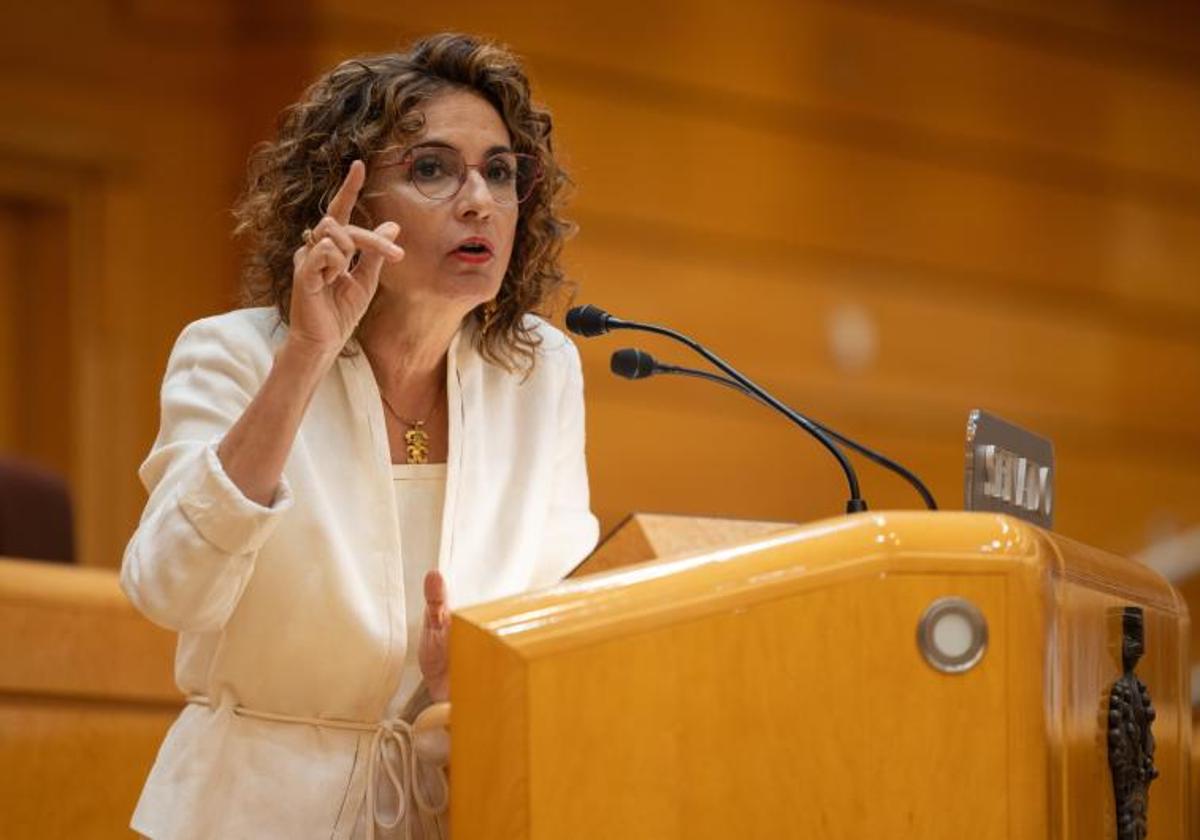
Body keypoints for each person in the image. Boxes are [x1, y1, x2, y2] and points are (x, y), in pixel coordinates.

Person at [119, 32, 600, 840]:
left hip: (460, 804)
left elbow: (562, 603)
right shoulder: (234, 354)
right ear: (345, 202)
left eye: (500, 170)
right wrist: (305, 356)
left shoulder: (537, 370)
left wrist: (475, 680)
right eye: (433, 169)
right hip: (252, 813)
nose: (479, 199)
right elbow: (170, 589)